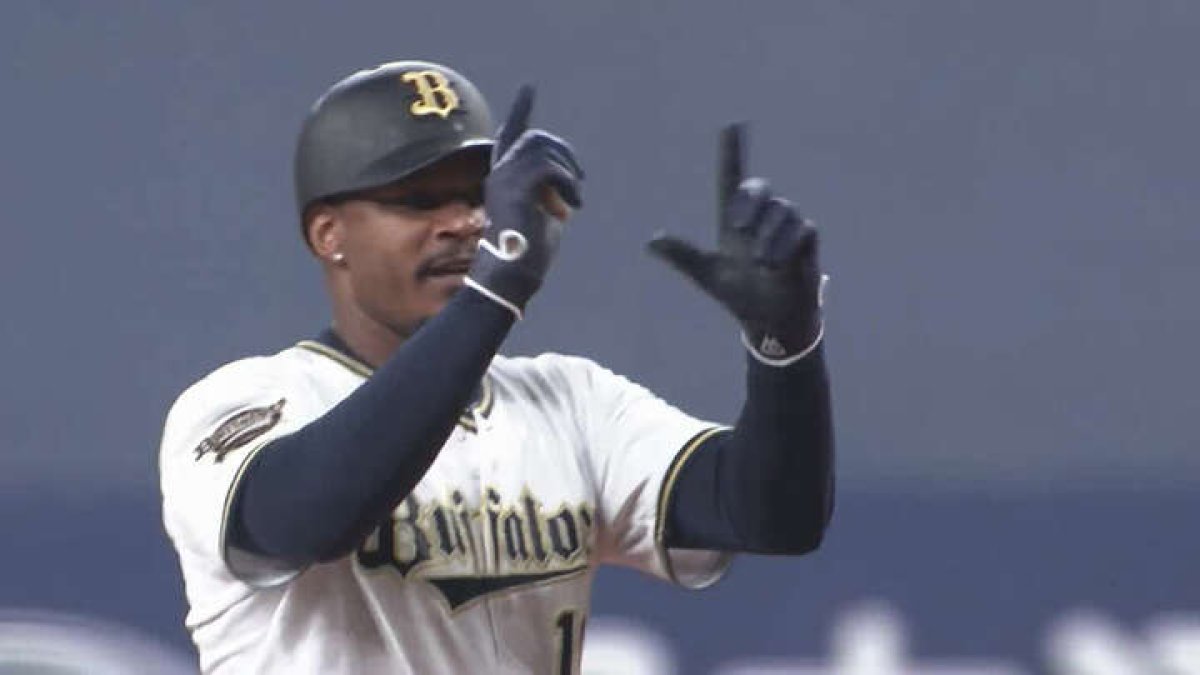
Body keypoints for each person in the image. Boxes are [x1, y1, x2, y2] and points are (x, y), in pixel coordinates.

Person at [159, 60, 834, 675]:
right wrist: (493, 292)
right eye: (420, 199)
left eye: (476, 195)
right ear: (328, 234)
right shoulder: (241, 401)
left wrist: (785, 350)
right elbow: (309, 518)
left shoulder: (571, 401)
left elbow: (773, 514)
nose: (463, 222)